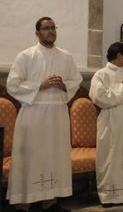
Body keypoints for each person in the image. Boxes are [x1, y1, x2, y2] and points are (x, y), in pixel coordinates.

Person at [6, 17, 82, 212]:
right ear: (37, 33)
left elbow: (76, 80)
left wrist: (64, 85)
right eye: (46, 28)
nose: (51, 32)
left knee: (54, 156)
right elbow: (12, 85)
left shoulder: (66, 56)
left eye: (53, 28)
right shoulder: (26, 56)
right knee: (31, 158)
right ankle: (23, 202)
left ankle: (50, 201)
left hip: (57, 114)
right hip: (33, 114)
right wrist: (41, 85)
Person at [89, 42, 123, 206]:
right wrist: (122, 88)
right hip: (109, 120)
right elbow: (100, 98)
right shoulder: (101, 74)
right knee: (110, 156)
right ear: (119, 55)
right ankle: (109, 195)